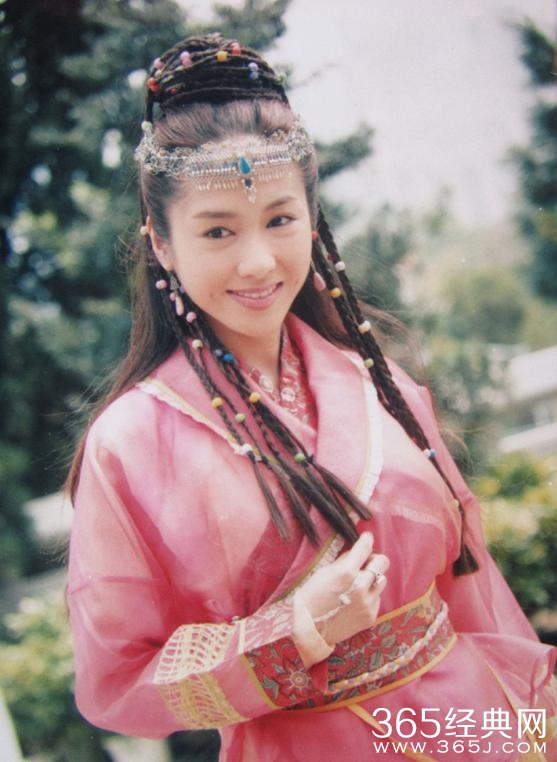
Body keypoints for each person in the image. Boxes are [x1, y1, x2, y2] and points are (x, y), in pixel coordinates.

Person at [67, 34, 556, 762]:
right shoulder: (130, 443)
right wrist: (287, 635)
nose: (257, 261)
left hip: (469, 724)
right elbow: (116, 681)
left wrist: (533, 728)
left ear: (313, 219)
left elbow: (473, 593)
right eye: (217, 231)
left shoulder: (380, 385)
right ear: (162, 245)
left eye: (279, 219)